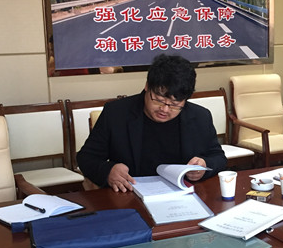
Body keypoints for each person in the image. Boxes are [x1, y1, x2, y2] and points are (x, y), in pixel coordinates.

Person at [77, 54, 226, 192]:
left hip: (182, 194)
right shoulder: (116, 113)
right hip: (131, 194)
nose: (165, 109)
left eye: (175, 104)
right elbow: (86, 157)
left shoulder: (200, 116)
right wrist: (108, 171)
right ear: (147, 86)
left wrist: (204, 166)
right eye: (159, 100)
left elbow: (218, 156)